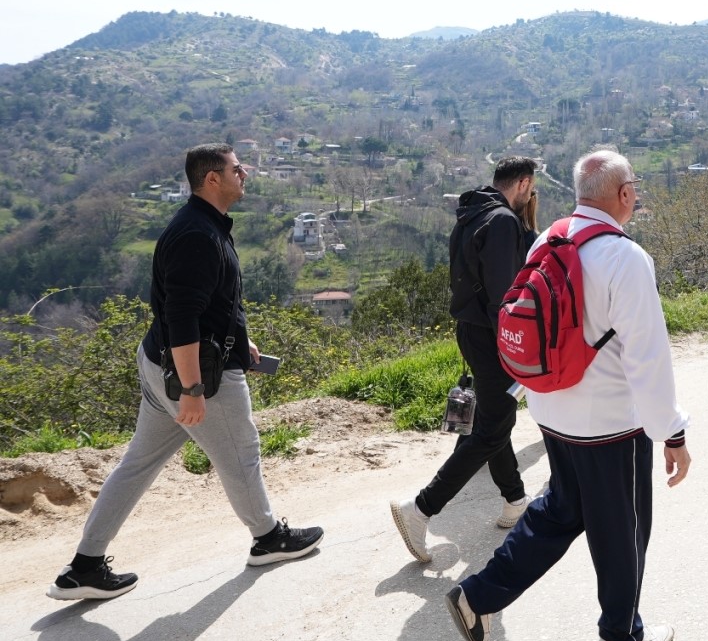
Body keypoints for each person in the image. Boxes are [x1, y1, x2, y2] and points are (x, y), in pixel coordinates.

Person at [444, 149, 691, 641]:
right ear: (623, 195)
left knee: (561, 511)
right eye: (635, 188)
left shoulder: (548, 238)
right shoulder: (626, 258)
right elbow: (649, 359)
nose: (637, 195)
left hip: (552, 412)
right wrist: (672, 432)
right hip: (609, 425)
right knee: (623, 533)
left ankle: (478, 597)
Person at [47, 144, 323, 601]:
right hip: (193, 375)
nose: (246, 173)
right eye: (238, 168)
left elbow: (212, 301)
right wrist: (193, 389)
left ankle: (84, 567)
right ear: (212, 179)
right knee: (242, 453)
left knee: (137, 464)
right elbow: (183, 317)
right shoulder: (198, 235)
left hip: (161, 365)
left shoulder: (204, 224)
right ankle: (268, 538)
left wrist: (241, 337)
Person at [390, 157, 538, 562]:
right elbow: (503, 298)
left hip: (470, 333)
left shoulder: (472, 212)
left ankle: (515, 500)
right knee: (493, 428)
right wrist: (516, 348)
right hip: (494, 336)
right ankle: (420, 508)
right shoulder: (504, 221)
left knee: (494, 419)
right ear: (524, 183)